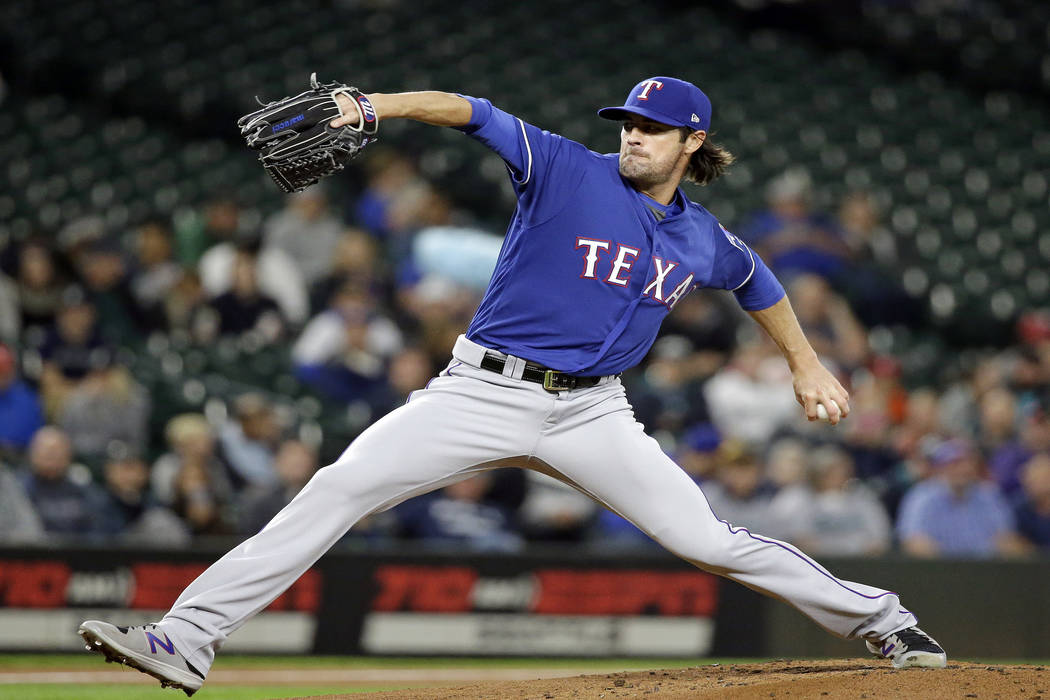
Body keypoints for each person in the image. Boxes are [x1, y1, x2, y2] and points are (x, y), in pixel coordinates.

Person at [79, 76, 946, 695]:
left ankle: (885, 621)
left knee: (707, 540)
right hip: (480, 391)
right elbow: (469, 110)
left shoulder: (703, 237)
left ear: (691, 143)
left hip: (593, 411)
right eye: (628, 122)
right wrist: (372, 106)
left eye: (652, 128)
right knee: (338, 488)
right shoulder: (566, 167)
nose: (633, 136)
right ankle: (185, 641)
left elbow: (759, 282)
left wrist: (805, 361)